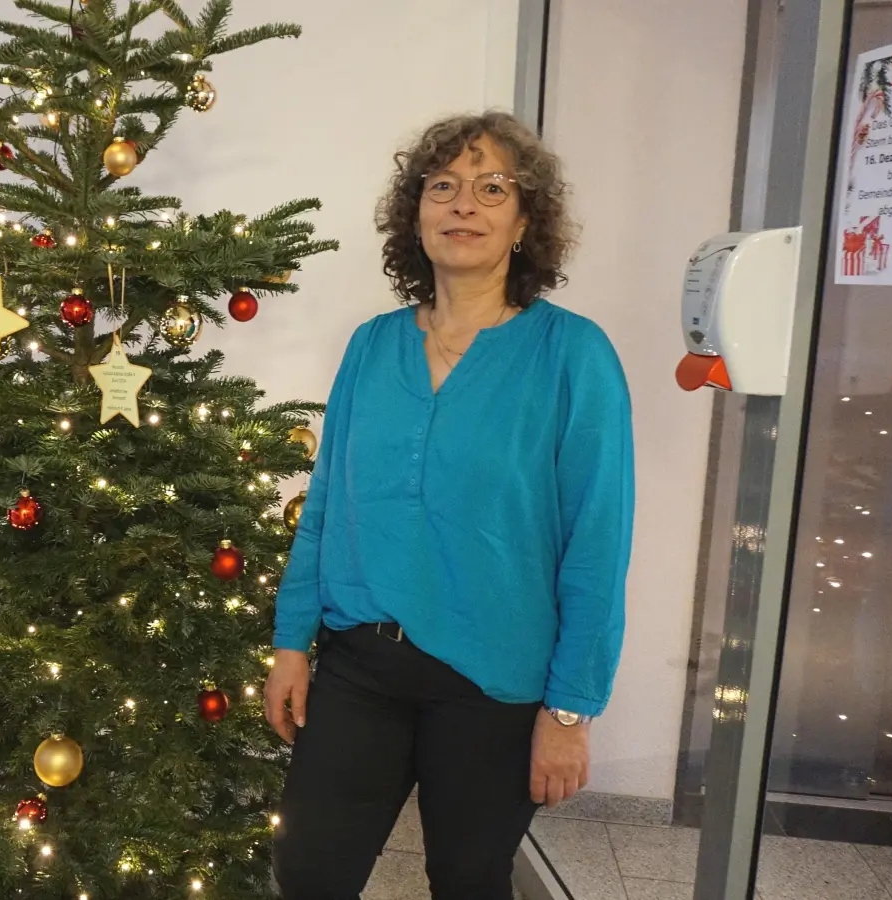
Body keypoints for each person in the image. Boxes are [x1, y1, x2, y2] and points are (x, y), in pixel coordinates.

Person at [264, 111, 635, 900]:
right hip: (360, 664)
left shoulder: (574, 355)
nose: (464, 204)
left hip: (493, 681)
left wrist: (570, 710)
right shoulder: (373, 344)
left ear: (525, 222)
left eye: (492, 188)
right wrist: (291, 642)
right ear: (416, 215)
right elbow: (326, 503)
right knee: (308, 873)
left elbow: (597, 543)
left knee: (468, 880)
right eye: (443, 187)